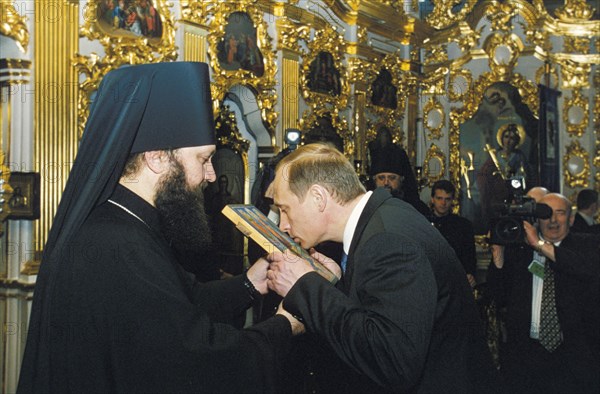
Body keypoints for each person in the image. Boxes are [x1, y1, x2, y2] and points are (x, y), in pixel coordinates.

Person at [17, 62, 307, 394]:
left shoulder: (126, 223)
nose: (211, 175)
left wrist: (253, 282)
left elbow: (185, 302)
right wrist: (284, 326)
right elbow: (192, 361)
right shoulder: (118, 243)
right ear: (157, 158)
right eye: (202, 159)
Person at [266, 143, 500, 393]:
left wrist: (307, 286)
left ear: (318, 198)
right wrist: (333, 283)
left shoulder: (387, 240)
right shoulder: (383, 217)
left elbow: (393, 361)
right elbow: (379, 314)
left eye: (284, 209)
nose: (283, 225)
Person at [487, 193, 600, 393]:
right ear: (537, 219)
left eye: (560, 213)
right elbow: (498, 296)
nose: (553, 220)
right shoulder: (520, 251)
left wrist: (540, 246)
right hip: (526, 357)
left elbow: (584, 268)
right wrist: (498, 255)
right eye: (546, 214)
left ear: (572, 219)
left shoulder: (587, 245)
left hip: (574, 357)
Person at [367, 126, 429, 216]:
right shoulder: (364, 210)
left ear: (401, 179)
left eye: (392, 178)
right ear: (374, 179)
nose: (386, 182)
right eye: (381, 178)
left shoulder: (417, 210)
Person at [428, 180, 478, 287]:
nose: (443, 203)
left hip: (455, 281)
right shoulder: (423, 223)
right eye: (439, 198)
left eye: (447, 199)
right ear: (432, 199)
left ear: (452, 201)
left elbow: (470, 257)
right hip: (429, 279)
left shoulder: (464, 226)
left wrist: (470, 274)